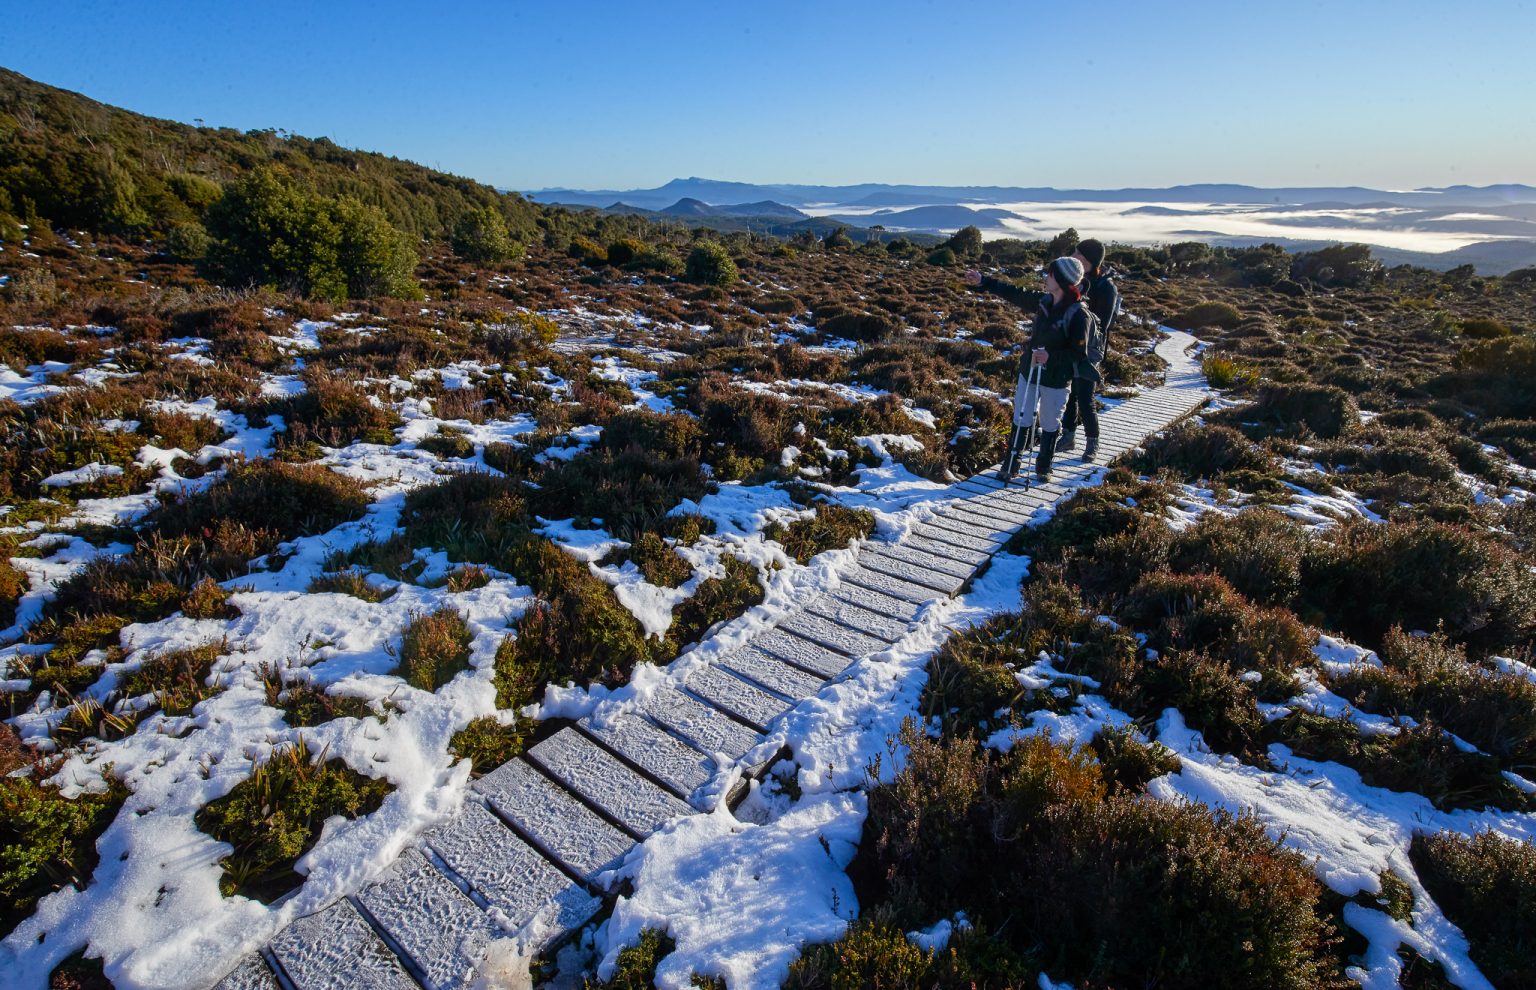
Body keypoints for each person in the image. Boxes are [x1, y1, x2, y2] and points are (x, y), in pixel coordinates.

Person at [964, 256, 1089, 483]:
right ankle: (1011, 464)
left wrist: (1051, 356)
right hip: (1029, 369)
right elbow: (1014, 292)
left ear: (1060, 279)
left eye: (1050, 274)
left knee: (1050, 422)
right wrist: (984, 281)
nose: (1046, 277)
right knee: (1021, 414)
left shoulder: (1078, 314)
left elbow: (1080, 353)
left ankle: (1043, 466)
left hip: (1057, 378)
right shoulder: (1044, 302)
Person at [1056, 238, 1119, 460]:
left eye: (1079, 254)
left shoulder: (1106, 288)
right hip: (1069, 346)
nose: (1074, 256)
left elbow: (1104, 322)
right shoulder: (1076, 280)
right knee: (1069, 396)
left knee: (1084, 397)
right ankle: (1068, 437)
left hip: (1090, 351)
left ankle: (1092, 442)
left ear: (1091, 260)